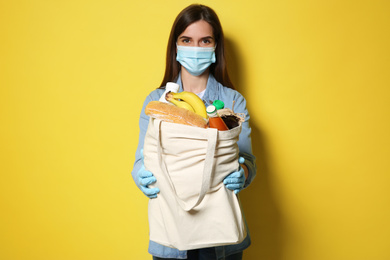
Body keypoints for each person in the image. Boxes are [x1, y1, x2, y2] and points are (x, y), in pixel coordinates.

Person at [131, 4, 257, 260]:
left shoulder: (232, 101)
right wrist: (140, 173)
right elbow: (143, 158)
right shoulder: (157, 102)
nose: (195, 48)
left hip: (221, 235)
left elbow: (248, 160)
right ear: (175, 46)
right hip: (171, 231)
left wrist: (242, 173)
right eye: (187, 40)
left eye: (205, 41)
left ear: (215, 47)